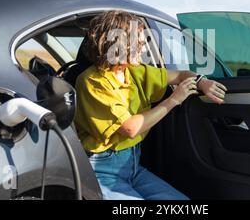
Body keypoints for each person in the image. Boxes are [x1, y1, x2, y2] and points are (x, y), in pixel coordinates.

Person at [74, 10, 227, 200]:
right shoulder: (93, 81)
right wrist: (173, 100)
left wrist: (202, 81)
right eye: (139, 43)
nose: (144, 49)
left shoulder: (135, 71)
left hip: (132, 166)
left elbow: (180, 75)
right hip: (102, 170)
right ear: (120, 45)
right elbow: (130, 128)